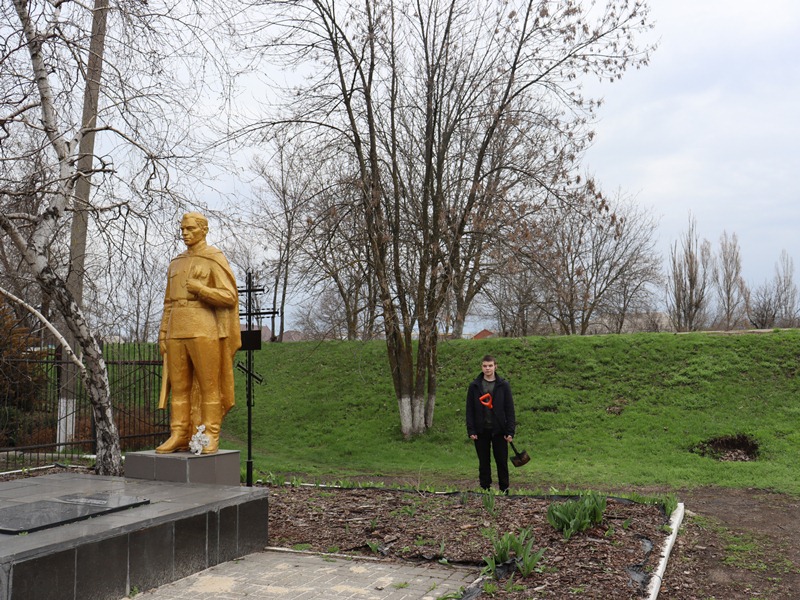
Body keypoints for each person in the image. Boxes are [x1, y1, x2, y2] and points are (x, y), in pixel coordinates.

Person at [156, 212, 241, 454]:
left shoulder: (213, 258)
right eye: (183, 229)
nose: (185, 233)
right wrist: (163, 332)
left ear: (204, 230)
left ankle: (210, 434)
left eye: (190, 229)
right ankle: (179, 434)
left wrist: (202, 290)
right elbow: (168, 302)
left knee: (208, 385)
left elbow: (229, 296)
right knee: (179, 387)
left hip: (204, 327)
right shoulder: (176, 262)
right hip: (176, 327)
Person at [466, 354, 516, 493]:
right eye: (485, 366)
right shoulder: (475, 386)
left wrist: (510, 431)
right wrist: (471, 430)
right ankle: (485, 488)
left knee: (501, 461)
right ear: (481, 367)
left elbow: (509, 409)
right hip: (481, 430)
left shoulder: (503, 385)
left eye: (490, 366)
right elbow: (469, 409)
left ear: (495, 366)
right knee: (483, 461)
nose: (487, 368)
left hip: (499, 430)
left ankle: (504, 489)